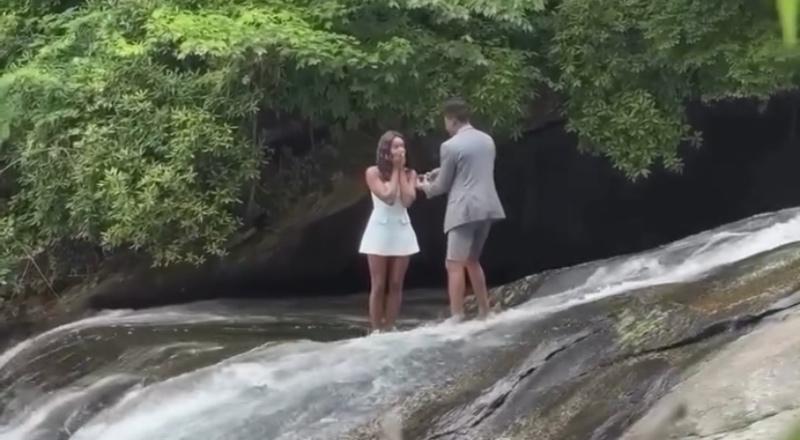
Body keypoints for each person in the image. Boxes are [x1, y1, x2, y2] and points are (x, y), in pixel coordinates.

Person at [416, 97, 505, 319]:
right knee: (472, 260)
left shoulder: (450, 146)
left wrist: (424, 186)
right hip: (488, 207)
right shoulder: (487, 140)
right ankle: (485, 311)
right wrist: (440, 170)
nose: (444, 124)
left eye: (445, 120)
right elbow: (472, 169)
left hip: (464, 210)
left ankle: (457, 316)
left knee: (453, 264)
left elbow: (443, 185)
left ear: (452, 119)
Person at [359, 130, 420, 332]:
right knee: (378, 284)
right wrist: (394, 170)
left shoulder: (410, 173)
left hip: (401, 228)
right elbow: (388, 196)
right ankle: (376, 328)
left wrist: (401, 171)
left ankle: (390, 326)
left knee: (396, 283)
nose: (400, 150)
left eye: (402, 146)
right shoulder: (372, 172)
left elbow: (408, 199)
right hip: (379, 230)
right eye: (395, 146)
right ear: (385, 150)